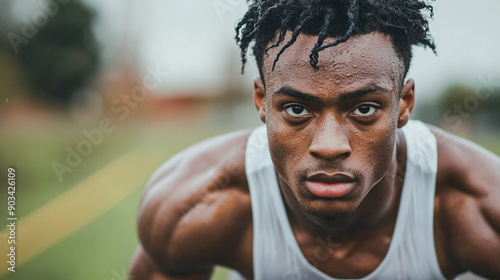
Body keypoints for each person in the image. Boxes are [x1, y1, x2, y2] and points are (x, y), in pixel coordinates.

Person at [130, 0, 500, 279]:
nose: (328, 145)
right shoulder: (194, 207)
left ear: (404, 104)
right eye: (296, 110)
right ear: (262, 101)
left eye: (365, 109)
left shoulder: (477, 205)